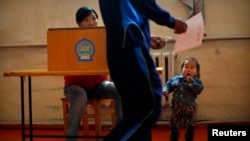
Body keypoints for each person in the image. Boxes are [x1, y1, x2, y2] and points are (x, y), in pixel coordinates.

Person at [98, 0, 188, 140]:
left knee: (134, 111)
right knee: (148, 108)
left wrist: (146, 39)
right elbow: (143, 3)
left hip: (119, 49)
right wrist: (170, 21)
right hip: (130, 46)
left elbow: (124, 15)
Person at [63, 6, 123, 141]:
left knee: (119, 89)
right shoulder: (70, 38)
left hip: (98, 84)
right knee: (80, 97)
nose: (91, 22)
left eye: (94, 19)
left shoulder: (103, 37)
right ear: (79, 23)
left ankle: (122, 134)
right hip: (74, 86)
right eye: (86, 19)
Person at [162, 57, 204, 141]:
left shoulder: (197, 81)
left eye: (192, 68)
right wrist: (166, 90)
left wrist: (191, 82)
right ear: (182, 69)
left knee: (190, 127)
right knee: (173, 125)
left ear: (197, 72)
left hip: (189, 109)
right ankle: (174, 138)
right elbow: (169, 84)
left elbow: (198, 90)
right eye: (186, 67)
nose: (188, 69)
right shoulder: (176, 79)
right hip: (176, 108)